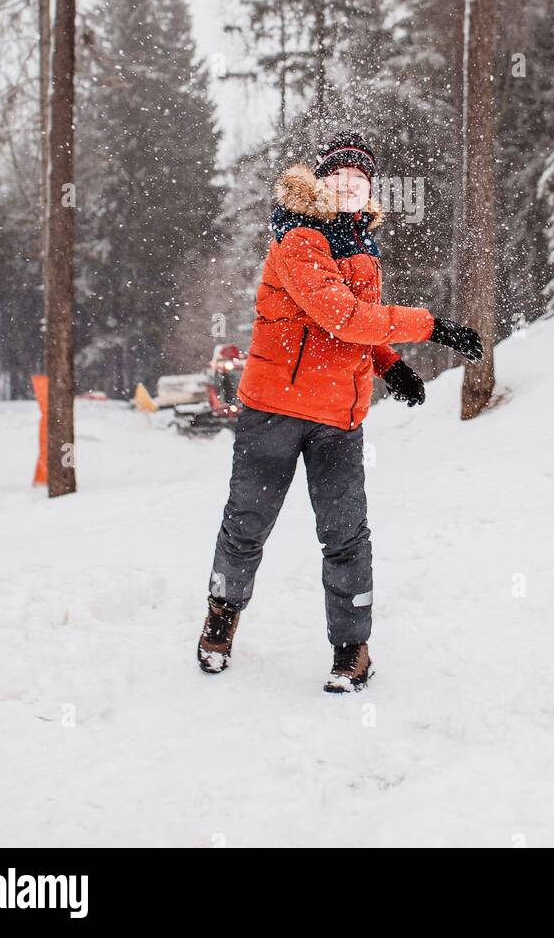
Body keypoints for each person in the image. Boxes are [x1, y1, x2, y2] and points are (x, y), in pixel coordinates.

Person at [196, 130, 483, 692]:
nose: (349, 187)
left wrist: (388, 364)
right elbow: (341, 315)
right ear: (320, 184)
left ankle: (352, 650)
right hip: (274, 408)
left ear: (368, 191)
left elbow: (354, 326)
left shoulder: (359, 243)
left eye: (360, 180)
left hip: (339, 418)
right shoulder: (300, 236)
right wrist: (433, 326)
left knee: (345, 534)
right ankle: (220, 620)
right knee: (247, 524)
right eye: (338, 178)